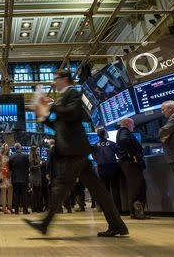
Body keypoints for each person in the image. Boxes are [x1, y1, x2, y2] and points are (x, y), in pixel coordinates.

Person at [24, 69, 128, 237]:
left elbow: (72, 113)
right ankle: (118, 225)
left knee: (61, 186)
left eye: (56, 79)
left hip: (74, 150)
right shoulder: (62, 100)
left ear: (65, 79)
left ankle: (44, 224)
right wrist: (43, 116)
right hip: (74, 150)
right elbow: (58, 125)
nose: (53, 82)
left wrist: (51, 106)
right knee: (98, 190)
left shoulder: (74, 94)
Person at [116, 118, 147, 219]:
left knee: (140, 185)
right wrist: (132, 154)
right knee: (135, 187)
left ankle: (138, 211)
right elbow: (124, 141)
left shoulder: (123, 131)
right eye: (133, 124)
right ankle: (135, 212)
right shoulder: (124, 131)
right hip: (130, 163)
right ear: (128, 123)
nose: (133, 126)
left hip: (129, 163)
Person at [93, 128, 121, 213]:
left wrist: (99, 161)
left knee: (105, 190)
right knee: (115, 189)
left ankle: (108, 210)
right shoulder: (112, 143)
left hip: (102, 168)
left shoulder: (95, 145)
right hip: (112, 167)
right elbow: (119, 154)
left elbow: (94, 157)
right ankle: (117, 209)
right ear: (105, 134)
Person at [9, 143, 30, 214]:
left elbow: (10, 168)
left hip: (15, 179)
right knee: (24, 195)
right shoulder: (25, 156)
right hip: (24, 178)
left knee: (16, 195)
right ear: (20, 148)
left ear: (15, 148)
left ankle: (16, 211)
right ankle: (25, 210)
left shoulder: (11, 157)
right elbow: (28, 167)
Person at [0, 143, 13, 214]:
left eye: (8, 147)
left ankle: (9, 206)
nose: (7, 148)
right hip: (2, 174)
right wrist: (0, 176)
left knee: (10, 189)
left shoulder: (7, 155)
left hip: (8, 175)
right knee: (4, 191)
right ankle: (4, 208)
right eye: (6, 146)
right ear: (3, 147)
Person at [29, 146, 43, 213]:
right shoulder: (31, 158)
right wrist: (39, 165)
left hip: (38, 176)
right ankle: (34, 208)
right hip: (34, 177)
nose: (37, 151)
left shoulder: (37, 156)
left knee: (39, 193)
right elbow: (31, 168)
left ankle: (39, 208)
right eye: (36, 150)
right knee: (34, 194)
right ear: (34, 150)